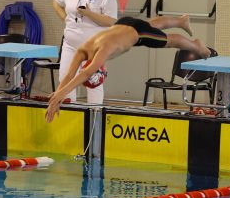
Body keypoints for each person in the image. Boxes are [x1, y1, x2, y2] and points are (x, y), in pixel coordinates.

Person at [45, 14, 209, 123]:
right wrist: (57, 96)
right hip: (124, 23)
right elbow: (69, 76)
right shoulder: (83, 50)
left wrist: (61, 94)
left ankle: (196, 45)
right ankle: (181, 21)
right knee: (151, 24)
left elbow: (86, 73)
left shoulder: (103, 50)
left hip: (138, 33)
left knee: (170, 41)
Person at [52, 0, 118, 104]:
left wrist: (89, 14)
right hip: (71, 45)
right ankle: (70, 112)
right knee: (65, 80)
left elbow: (111, 21)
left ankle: (94, 115)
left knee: (93, 83)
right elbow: (56, 2)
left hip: (93, 48)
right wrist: (65, 18)